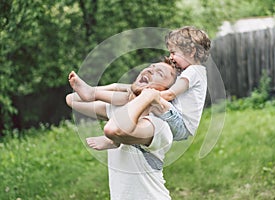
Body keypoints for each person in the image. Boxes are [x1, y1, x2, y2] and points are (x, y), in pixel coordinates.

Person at [71, 26, 211, 150]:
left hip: (181, 124)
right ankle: (92, 92)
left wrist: (146, 96)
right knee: (140, 93)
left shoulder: (194, 71)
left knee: (145, 95)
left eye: (174, 53)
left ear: (191, 51)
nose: (171, 57)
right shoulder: (193, 72)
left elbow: (170, 95)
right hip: (176, 118)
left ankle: (111, 138)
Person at [66, 61, 177, 200]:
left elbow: (114, 130)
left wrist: (146, 95)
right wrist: (121, 90)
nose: (149, 71)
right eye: (150, 67)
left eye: (159, 73)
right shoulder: (120, 110)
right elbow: (72, 99)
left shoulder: (158, 127)